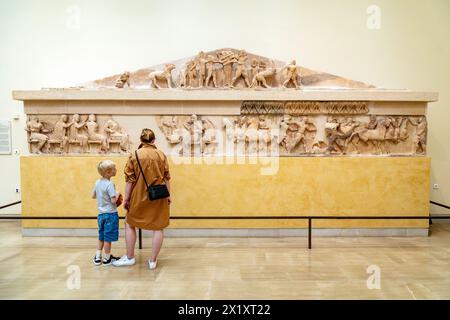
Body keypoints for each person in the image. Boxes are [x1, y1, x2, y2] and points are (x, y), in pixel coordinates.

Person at [113, 128, 171, 270]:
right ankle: (152, 261)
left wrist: (126, 199)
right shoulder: (161, 155)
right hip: (159, 197)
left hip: (138, 196)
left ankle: (130, 257)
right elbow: (167, 177)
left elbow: (129, 180)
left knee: (130, 223)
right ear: (153, 140)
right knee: (158, 227)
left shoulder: (134, 155)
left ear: (141, 140)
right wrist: (169, 195)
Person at [92, 160, 122, 266]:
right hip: (111, 214)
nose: (116, 170)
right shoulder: (110, 184)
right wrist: (117, 194)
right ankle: (107, 258)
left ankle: (97, 257)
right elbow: (114, 201)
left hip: (100, 215)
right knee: (108, 238)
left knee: (101, 236)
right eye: (114, 168)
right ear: (108, 172)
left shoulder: (97, 182)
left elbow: (93, 196)